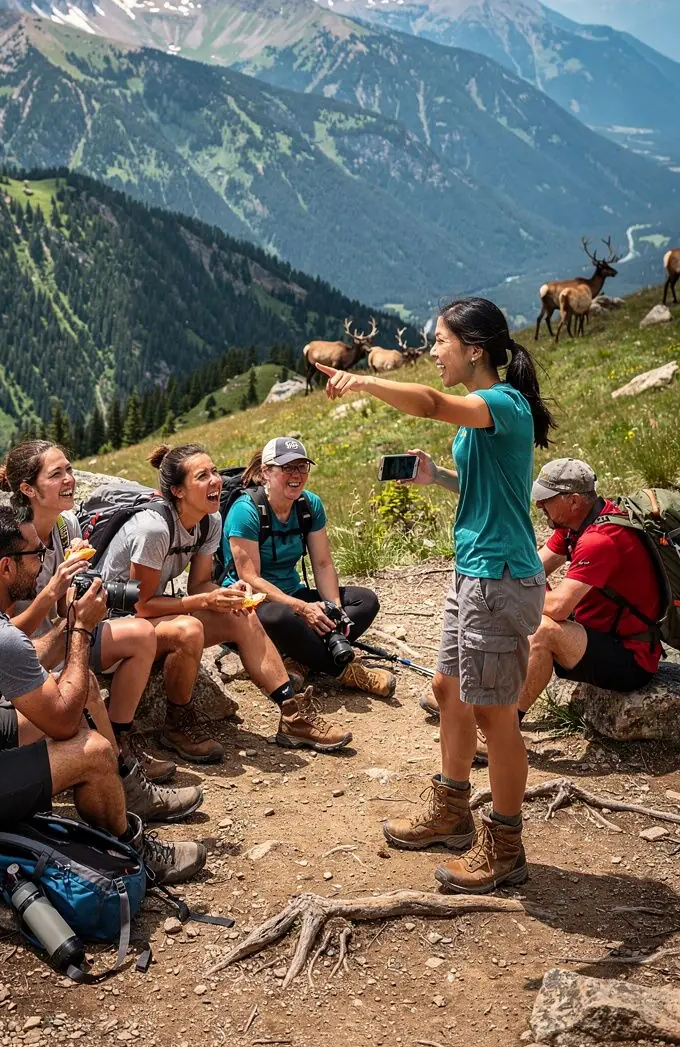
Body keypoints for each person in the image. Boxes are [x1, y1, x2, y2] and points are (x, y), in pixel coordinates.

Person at [316, 296, 555, 894]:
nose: (434, 353)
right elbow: (492, 484)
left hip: (499, 578)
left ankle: (506, 844)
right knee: (449, 689)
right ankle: (451, 812)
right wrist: (437, 478)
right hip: (472, 572)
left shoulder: (501, 402)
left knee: (494, 715)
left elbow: (426, 403)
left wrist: (366, 381)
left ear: (474, 349)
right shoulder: (486, 413)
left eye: (441, 342)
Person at [0, 506, 206, 885]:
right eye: (36, 554)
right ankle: (136, 852)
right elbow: (63, 721)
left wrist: (68, 626)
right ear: (5, 567)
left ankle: (122, 793)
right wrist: (83, 631)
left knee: (68, 705)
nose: (44, 561)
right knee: (94, 751)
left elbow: (21, 659)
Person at [95, 443, 352, 757]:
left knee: (241, 613)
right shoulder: (154, 529)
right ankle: (177, 726)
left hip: (147, 617)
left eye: (214, 471)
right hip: (112, 624)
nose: (217, 480)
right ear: (177, 491)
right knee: (188, 630)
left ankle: (292, 715)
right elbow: (142, 604)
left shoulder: (209, 521)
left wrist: (227, 595)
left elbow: (199, 583)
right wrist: (206, 601)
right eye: (203, 476)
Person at [0, 441, 201, 824]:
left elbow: (62, 611)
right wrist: (56, 586)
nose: (70, 480)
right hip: (25, 653)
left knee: (141, 634)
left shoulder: (64, 524)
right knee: (84, 679)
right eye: (56, 475)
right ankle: (120, 776)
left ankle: (122, 740)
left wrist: (80, 588)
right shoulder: (11, 540)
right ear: (27, 488)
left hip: (59, 635)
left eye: (69, 470)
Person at [222, 438, 395, 698]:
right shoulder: (246, 511)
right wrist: (302, 608)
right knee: (281, 617)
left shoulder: (309, 505)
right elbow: (251, 578)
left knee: (365, 601)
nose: (296, 475)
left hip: (292, 593)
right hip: (254, 601)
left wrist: (334, 609)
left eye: (302, 467)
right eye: (287, 468)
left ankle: (300, 659)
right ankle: (350, 674)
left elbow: (323, 564)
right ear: (266, 472)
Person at [518, 458, 662, 707]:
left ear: (573, 501)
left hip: (630, 657)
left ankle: (503, 730)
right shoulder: (575, 524)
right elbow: (533, 568)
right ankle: (481, 702)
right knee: (514, 608)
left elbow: (557, 607)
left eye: (546, 498)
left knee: (542, 629)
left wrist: (518, 587)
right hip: (598, 635)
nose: (539, 504)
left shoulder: (600, 540)